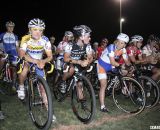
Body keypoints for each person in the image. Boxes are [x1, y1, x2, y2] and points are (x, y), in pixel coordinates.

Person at [17, 18, 53, 100]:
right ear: (30, 30)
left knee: (44, 88)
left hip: (39, 62)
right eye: (35, 29)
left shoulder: (45, 40)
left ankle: (50, 111)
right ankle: (21, 86)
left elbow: (50, 56)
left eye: (40, 30)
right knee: (25, 69)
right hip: (28, 59)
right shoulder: (25, 38)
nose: (38, 32)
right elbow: (22, 54)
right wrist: (36, 61)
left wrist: (43, 61)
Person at [97, 33, 131, 112]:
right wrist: (122, 65)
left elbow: (127, 61)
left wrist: (130, 66)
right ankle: (102, 107)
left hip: (111, 65)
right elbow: (112, 62)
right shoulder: (111, 47)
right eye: (118, 41)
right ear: (116, 41)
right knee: (103, 85)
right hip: (102, 65)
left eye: (122, 43)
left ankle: (118, 85)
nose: (119, 44)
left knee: (124, 72)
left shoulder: (124, 50)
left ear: (125, 45)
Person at [60, 25, 93, 93]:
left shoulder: (88, 45)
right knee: (71, 69)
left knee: (80, 83)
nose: (90, 38)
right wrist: (79, 62)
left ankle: (82, 101)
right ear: (81, 37)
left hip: (78, 62)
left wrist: (87, 61)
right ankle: (63, 81)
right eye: (88, 36)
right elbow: (66, 59)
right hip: (68, 61)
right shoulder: (70, 44)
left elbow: (91, 57)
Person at [0, 21, 19, 90]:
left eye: (12, 27)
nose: (11, 28)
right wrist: (1, 52)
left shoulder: (15, 36)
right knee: (2, 60)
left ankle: (13, 84)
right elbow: (0, 44)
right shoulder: (2, 35)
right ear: (6, 27)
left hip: (13, 54)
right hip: (5, 52)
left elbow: (17, 47)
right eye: (9, 26)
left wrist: (19, 55)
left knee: (14, 69)